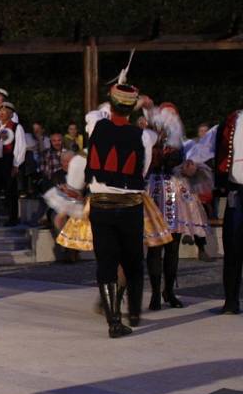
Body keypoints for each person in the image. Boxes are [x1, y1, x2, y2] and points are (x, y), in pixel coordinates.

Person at [84, 68, 157, 338]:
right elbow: (144, 170)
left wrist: (119, 85)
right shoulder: (145, 138)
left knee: (105, 262)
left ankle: (113, 321)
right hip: (129, 205)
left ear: (112, 103)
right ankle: (131, 312)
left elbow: (97, 112)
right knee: (132, 261)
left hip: (101, 204)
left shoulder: (95, 124)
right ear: (133, 109)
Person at [142, 100, 208, 311]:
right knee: (154, 246)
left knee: (172, 247)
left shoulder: (182, 142)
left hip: (175, 194)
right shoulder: (149, 139)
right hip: (155, 192)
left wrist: (191, 167)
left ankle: (168, 291)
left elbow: (187, 164)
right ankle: (154, 293)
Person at [215, 107, 243, 314]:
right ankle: (231, 301)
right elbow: (214, 148)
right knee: (232, 246)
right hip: (236, 190)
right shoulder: (232, 120)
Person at [0, 101, 26, 226]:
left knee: (10, 191)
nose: (2, 113)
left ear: (10, 113)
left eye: (5, 112)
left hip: (9, 161)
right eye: (1, 111)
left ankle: (13, 218)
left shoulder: (16, 127)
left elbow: (21, 146)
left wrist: (16, 164)